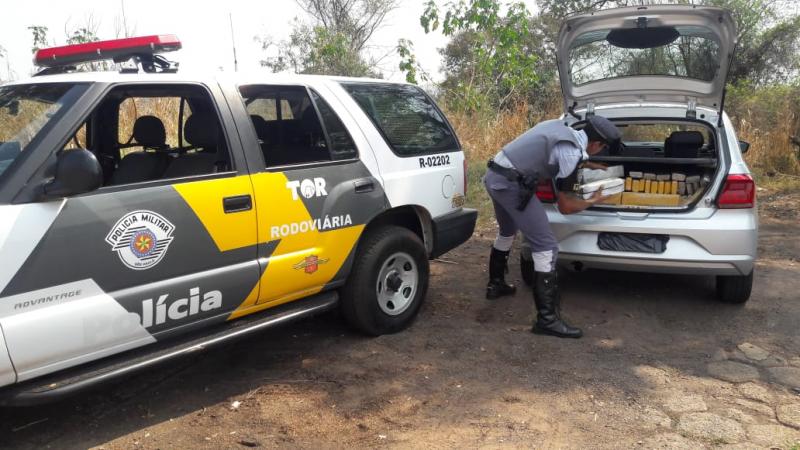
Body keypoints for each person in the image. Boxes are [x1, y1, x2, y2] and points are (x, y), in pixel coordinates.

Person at [483, 115, 621, 339]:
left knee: (507, 231)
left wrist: (588, 163)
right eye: (601, 149)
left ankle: (496, 284)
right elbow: (565, 206)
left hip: (494, 177)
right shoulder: (572, 152)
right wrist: (593, 200)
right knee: (546, 245)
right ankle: (547, 320)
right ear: (596, 144)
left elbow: (564, 155)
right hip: (510, 185)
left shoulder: (560, 127)